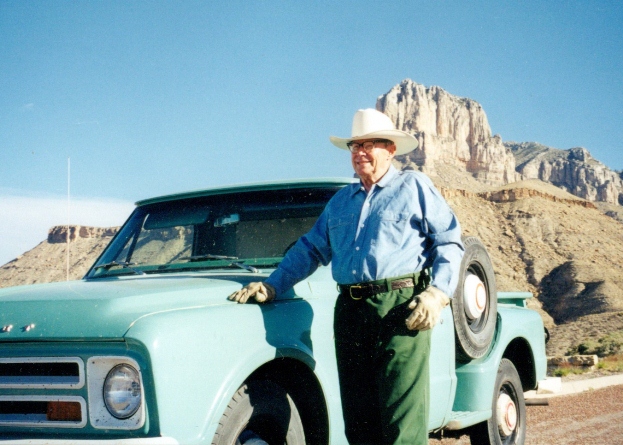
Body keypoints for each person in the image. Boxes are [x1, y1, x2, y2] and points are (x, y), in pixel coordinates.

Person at [229, 108, 464, 444]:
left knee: (402, 421)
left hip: (400, 308)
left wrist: (437, 294)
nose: (360, 152)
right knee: (359, 421)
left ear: (391, 149)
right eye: (355, 146)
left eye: (369, 145)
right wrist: (272, 284)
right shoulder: (340, 203)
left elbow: (449, 241)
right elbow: (310, 249)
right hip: (350, 310)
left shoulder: (414, 187)